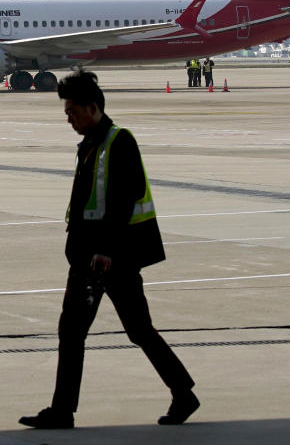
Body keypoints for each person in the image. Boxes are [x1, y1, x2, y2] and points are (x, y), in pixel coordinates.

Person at [19, 71, 198, 429]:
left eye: (72, 112)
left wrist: (105, 250)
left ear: (93, 107)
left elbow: (123, 200)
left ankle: (64, 411)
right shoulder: (89, 144)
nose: (68, 118)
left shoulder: (120, 142)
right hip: (90, 256)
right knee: (118, 330)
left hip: (110, 258)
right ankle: (182, 393)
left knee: (97, 330)